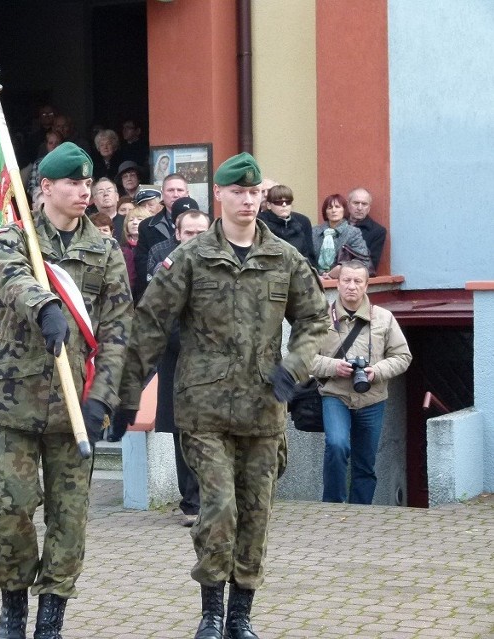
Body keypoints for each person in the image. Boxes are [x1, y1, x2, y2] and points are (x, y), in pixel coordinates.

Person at [115, 153, 328, 639]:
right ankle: (211, 612)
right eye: (239, 192)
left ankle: (241, 616)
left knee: (255, 515)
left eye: (255, 192)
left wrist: (294, 367)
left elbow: (317, 320)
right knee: (218, 511)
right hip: (204, 410)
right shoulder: (189, 258)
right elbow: (149, 325)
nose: (249, 200)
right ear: (220, 195)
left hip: (263, 410)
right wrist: (125, 396)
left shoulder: (284, 258)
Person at [0, 142, 132, 639]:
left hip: (77, 407)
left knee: (69, 519)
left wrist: (102, 399)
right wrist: (45, 305)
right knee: (14, 508)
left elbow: (116, 331)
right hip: (17, 400)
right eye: (72, 182)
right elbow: (9, 279)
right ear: (44, 188)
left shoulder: (105, 250)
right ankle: (13, 610)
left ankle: (51, 619)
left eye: (88, 182)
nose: (82, 190)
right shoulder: (14, 238)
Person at [311, 260, 411, 504]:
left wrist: (376, 371)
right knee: (336, 446)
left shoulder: (384, 318)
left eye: (357, 281)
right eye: (346, 280)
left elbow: (403, 356)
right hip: (335, 395)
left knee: (365, 462)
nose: (351, 287)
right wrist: (333, 366)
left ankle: (361, 513)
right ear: (337, 283)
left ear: (366, 285)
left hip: (372, 398)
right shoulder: (320, 318)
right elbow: (302, 358)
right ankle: (332, 507)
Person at [144, 209, 211, 527]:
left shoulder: (226, 267)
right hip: (179, 363)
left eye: (203, 232)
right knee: (184, 435)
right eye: (190, 233)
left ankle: (219, 499)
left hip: (219, 369)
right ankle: (192, 503)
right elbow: (159, 320)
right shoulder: (165, 270)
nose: (196, 239)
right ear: (177, 235)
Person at [133, 173, 190, 300]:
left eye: (180, 190)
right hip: (159, 294)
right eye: (170, 190)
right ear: (163, 194)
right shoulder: (147, 226)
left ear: (187, 193)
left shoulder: (205, 223)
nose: (175, 194)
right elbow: (142, 264)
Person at [312, 193, 371, 279]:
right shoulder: (314, 232)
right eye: (330, 207)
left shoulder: (353, 232)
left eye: (337, 207)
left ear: (344, 210)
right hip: (316, 280)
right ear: (325, 211)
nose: (333, 210)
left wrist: (341, 269)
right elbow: (307, 258)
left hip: (342, 280)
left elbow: (362, 260)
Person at [257, 184, 316, 267]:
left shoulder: (301, 223)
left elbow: (309, 257)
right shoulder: (259, 223)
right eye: (279, 202)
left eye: (288, 202)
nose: (284, 205)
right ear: (269, 205)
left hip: (299, 273)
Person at [347, 187, 387, 271]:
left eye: (364, 204)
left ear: (369, 208)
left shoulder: (378, 231)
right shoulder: (339, 225)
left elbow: (371, 265)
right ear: (348, 204)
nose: (360, 208)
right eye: (356, 203)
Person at [120, 205, 151, 302]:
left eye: (140, 219)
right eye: (131, 220)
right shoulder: (120, 249)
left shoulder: (153, 248)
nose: (134, 222)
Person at [26, 130, 64, 197]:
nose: (54, 146)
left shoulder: (67, 163)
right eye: (51, 143)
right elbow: (30, 187)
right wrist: (41, 195)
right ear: (46, 145)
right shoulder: (38, 163)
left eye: (57, 143)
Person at [89, 177, 124, 242]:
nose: (106, 194)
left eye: (109, 190)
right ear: (94, 200)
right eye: (101, 192)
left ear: (117, 197)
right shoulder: (88, 224)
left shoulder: (126, 222)